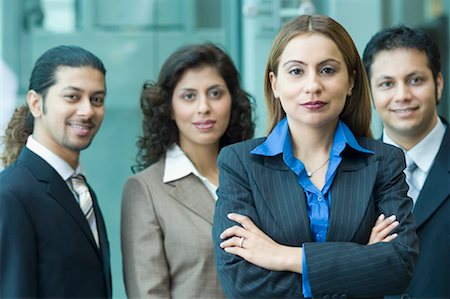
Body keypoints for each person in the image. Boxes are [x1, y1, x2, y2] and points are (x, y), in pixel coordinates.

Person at [212, 15, 418, 299]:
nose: (313, 86)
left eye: (328, 70)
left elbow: (399, 267)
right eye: (296, 71)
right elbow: (242, 284)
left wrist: (284, 257)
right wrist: (360, 264)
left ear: (351, 81)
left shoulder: (384, 161)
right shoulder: (239, 164)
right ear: (275, 84)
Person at [121, 43, 254, 299]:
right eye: (189, 96)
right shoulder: (145, 190)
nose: (204, 107)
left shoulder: (256, 175)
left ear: (232, 101)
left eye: (215, 93)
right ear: (169, 107)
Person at [0, 45, 112, 298]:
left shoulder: (79, 189)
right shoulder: (11, 195)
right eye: (72, 97)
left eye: (97, 99)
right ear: (36, 103)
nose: (87, 111)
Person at [363, 25, 450, 299]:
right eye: (387, 83)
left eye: (415, 80)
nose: (402, 95)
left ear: (438, 84)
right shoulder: (348, 171)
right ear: (371, 94)